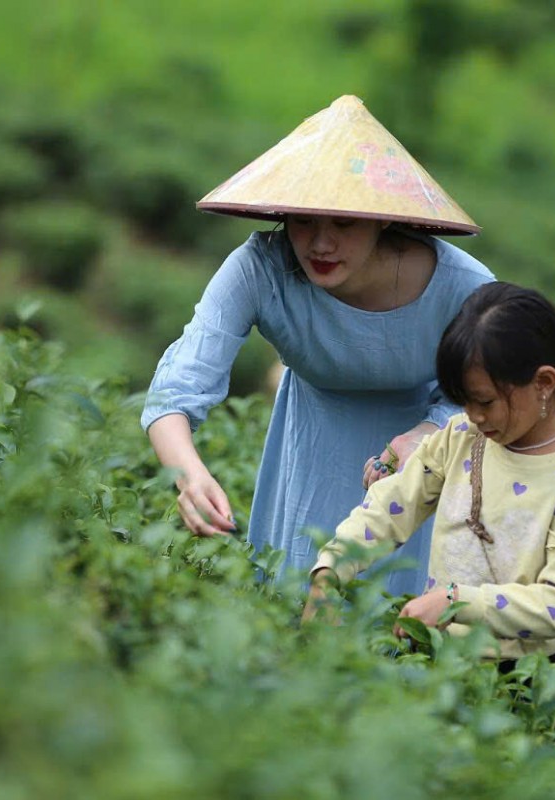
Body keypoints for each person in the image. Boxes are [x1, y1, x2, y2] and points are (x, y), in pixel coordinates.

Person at [142, 95, 494, 596]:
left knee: (403, 629)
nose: (320, 244)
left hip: (424, 475)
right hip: (307, 460)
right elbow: (175, 390)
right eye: (305, 221)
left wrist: (430, 433)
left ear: (382, 218)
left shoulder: (463, 286)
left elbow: (492, 394)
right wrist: (189, 476)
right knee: (296, 612)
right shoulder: (260, 270)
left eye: (344, 223)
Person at [304, 282, 555, 670]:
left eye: (485, 402)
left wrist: (455, 600)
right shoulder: (464, 436)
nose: (475, 416)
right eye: (464, 401)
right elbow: (392, 506)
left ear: (544, 383)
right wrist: (331, 569)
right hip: (435, 652)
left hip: (516, 678)